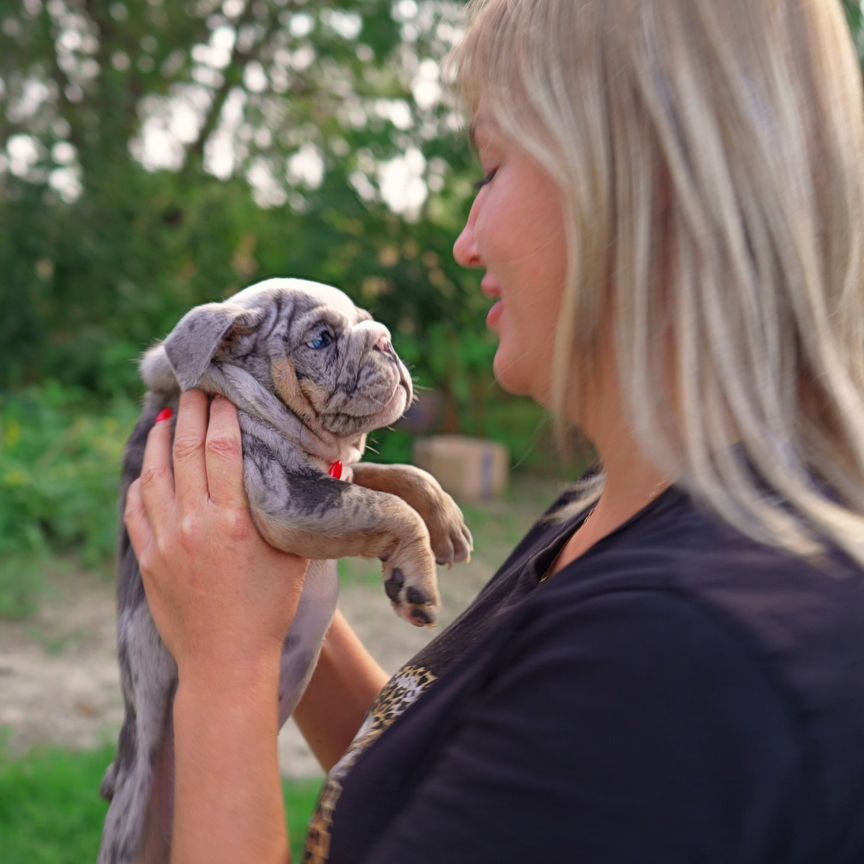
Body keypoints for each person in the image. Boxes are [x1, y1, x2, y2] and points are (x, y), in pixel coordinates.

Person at [123, 0, 864, 860]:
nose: (466, 243)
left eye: (492, 165)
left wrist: (224, 680)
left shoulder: (673, 661)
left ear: (640, 180)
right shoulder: (609, 520)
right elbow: (440, 783)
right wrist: (255, 576)